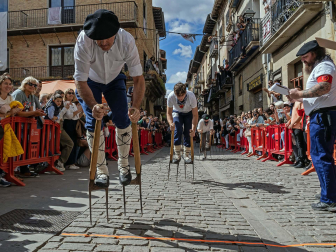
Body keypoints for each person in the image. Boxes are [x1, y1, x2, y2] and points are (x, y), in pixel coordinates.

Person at [74, 9, 145, 187]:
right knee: (93, 120)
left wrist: (135, 107)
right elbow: (80, 82)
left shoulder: (127, 40)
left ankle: (123, 166)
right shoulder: (83, 41)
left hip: (114, 79)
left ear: (116, 33)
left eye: (108, 38)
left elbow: (138, 79)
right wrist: (93, 106)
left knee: (122, 117)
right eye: (99, 39)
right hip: (90, 81)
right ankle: (101, 171)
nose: (103, 43)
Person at [288, 40, 336, 211]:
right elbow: (318, 95)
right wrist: (298, 97)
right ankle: (329, 192)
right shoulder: (321, 66)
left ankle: (329, 198)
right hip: (321, 115)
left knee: (321, 156)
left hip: (323, 116)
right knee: (321, 156)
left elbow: (324, 87)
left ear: (315, 53)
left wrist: (299, 93)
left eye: (306, 57)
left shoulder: (324, 67)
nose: (303, 60)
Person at [167, 82, 198, 164]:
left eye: (182, 96)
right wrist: (171, 123)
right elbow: (168, 113)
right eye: (178, 96)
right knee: (177, 130)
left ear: (185, 92)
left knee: (188, 131)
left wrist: (193, 129)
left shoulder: (191, 96)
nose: (180, 98)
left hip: (188, 113)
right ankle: (177, 155)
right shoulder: (170, 96)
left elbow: (195, 115)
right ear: (174, 93)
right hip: (177, 112)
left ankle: (186, 155)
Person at [63, 88, 83, 170]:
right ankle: (69, 162)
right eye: (69, 93)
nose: (71, 94)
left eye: (72, 93)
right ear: (66, 94)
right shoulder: (65, 103)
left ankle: (72, 162)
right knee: (70, 143)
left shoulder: (73, 104)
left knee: (75, 143)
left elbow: (77, 116)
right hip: (68, 124)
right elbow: (69, 116)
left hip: (74, 123)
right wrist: (78, 111)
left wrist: (81, 111)